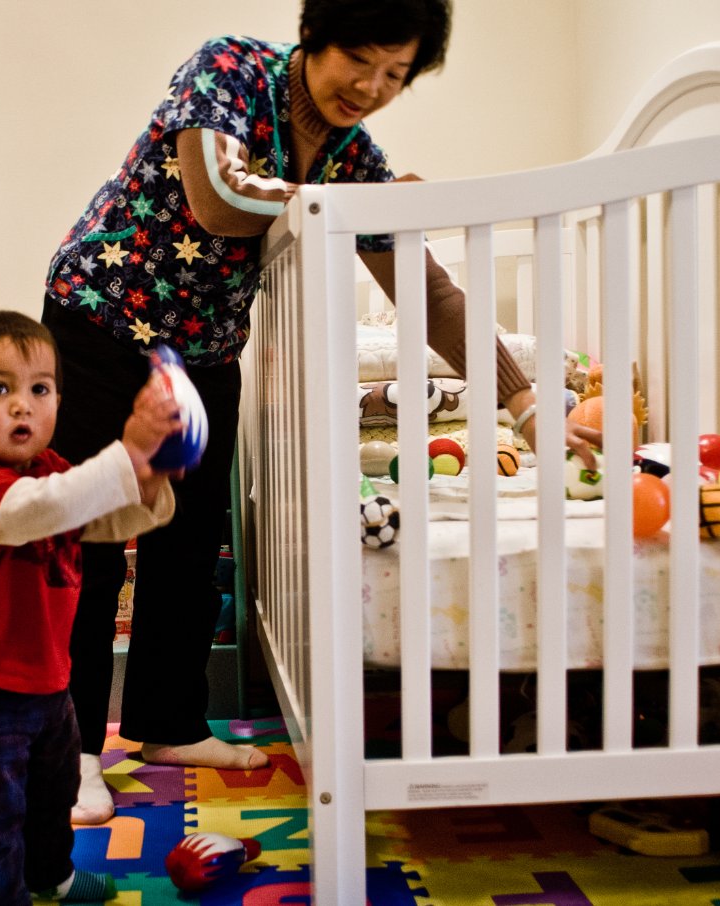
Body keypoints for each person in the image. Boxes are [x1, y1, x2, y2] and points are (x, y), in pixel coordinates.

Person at [41, 0, 601, 825]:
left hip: (201, 352)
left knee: (190, 540)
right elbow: (217, 200)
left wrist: (523, 405)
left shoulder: (353, 158)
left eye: (395, 76)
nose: (370, 88)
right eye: (361, 61)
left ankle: (165, 723)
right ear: (316, 35)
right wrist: (344, 205)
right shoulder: (228, 69)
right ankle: (75, 751)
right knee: (90, 539)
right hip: (100, 316)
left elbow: (428, 293)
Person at [0, 310, 181, 904]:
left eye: (39, 389)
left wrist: (147, 483)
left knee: (53, 791)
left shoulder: (48, 470)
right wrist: (130, 449)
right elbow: (48, 507)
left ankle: (53, 876)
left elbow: (95, 518)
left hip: (47, 682)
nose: (23, 405)